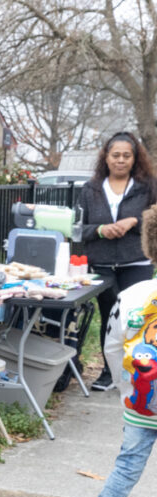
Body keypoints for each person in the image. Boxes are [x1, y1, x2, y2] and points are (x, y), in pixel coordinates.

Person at [79, 203, 157, 497]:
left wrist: (124, 388)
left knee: (126, 467)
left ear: (148, 247)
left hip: (141, 401)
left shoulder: (131, 296)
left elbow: (112, 348)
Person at [79, 131, 157, 392]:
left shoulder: (148, 187)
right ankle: (109, 372)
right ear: (106, 157)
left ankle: (139, 372)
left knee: (137, 318)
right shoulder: (90, 189)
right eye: (116, 155)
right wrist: (101, 230)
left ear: (135, 159)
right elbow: (77, 228)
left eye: (126, 155)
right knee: (110, 317)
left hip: (137, 262)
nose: (121, 160)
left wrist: (135, 221)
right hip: (102, 264)